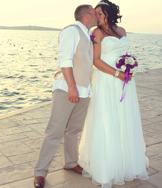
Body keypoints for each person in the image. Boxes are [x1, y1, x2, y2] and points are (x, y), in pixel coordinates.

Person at [78, 0, 149, 187]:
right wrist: (117, 73)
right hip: (107, 80)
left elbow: (124, 53)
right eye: (96, 14)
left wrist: (128, 65)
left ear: (110, 13)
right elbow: (95, 60)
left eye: (100, 13)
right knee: (107, 118)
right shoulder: (96, 33)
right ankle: (107, 166)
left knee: (125, 118)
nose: (97, 17)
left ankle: (126, 163)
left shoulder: (122, 31)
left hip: (124, 82)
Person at [33, 4, 97, 188]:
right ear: (86, 16)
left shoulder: (87, 34)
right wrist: (71, 87)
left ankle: (70, 162)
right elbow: (65, 60)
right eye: (95, 13)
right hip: (67, 89)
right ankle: (40, 172)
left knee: (73, 130)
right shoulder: (72, 31)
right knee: (54, 131)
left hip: (84, 91)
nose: (97, 16)